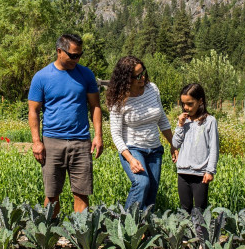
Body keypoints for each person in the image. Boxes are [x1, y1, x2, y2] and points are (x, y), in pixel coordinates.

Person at [28, 33, 104, 214]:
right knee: (52, 194)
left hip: (80, 141)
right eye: (73, 55)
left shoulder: (86, 74)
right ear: (59, 51)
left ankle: (81, 238)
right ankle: (49, 237)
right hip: (52, 141)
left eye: (79, 55)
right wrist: (37, 142)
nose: (76, 59)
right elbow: (33, 111)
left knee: (81, 193)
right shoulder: (42, 77)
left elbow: (95, 106)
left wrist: (98, 136)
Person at [107, 56, 175, 210]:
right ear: (125, 79)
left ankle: (144, 229)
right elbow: (116, 134)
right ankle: (127, 226)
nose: (142, 77)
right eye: (137, 76)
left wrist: (173, 144)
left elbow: (162, 119)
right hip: (133, 149)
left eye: (143, 73)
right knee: (142, 183)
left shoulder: (152, 89)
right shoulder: (119, 100)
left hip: (155, 149)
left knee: (151, 192)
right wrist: (130, 159)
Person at [172, 83, 219, 215]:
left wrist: (210, 171)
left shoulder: (210, 121)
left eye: (190, 104)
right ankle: (186, 235)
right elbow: (175, 143)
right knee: (184, 209)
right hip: (183, 172)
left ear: (200, 101)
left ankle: (200, 235)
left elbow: (214, 148)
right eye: (183, 104)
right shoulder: (184, 121)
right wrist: (180, 125)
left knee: (199, 210)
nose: (186, 107)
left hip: (200, 174)